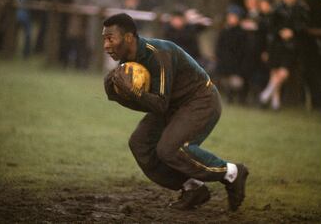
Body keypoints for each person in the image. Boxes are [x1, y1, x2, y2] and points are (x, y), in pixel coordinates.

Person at [102, 13, 249, 211]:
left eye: (110, 38)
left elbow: (159, 104)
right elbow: (149, 104)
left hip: (200, 100)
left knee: (170, 148)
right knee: (139, 143)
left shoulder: (159, 53)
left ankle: (231, 172)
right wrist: (117, 94)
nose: (106, 45)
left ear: (128, 37)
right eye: (104, 39)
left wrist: (134, 92)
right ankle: (193, 188)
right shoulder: (127, 63)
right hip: (172, 106)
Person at [260, 0, 308, 110]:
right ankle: (276, 102)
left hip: (292, 46)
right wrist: (280, 31)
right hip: (277, 44)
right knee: (274, 71)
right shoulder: (277, 9)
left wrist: (293, 31)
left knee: (283, 73)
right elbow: (271, 27)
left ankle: (266, 94)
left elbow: (304, 26)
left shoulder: (301, 9)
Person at [215, 5, 247, 104]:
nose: (231, 19)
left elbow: (243, 50)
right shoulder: (224, 31)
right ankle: (228, 96)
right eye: (230, 16)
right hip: (224, 61)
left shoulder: (242, 33)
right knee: (224, 79)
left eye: (234, 16)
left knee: (236, 82)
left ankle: (239, 97)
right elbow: (219, 46)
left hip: (236, 63)